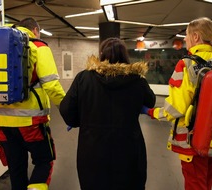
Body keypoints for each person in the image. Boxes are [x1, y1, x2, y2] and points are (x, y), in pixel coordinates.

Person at [59, 37, 156, 190]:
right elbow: (151, 102)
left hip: (92, 148)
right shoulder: (137, 80)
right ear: (125, 55)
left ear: (102, 54)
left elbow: (66, 109)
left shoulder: (83, 78)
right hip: (128, 147)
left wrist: (80, 121)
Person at [143, 17, 212, 190]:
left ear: (196, 37)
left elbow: (176, 107)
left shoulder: (186, 65)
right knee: (205, 184)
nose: (185, 39)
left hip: (194, 140)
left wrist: (151, 112)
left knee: (195, 185)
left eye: (187, 35)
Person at [0, 17, 66, 190]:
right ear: (36, 30)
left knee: (16, 168)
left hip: (0, 123)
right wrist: (68, 109)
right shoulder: (38, 47)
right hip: (30, 122)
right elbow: (51, 85)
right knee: (44, 161)